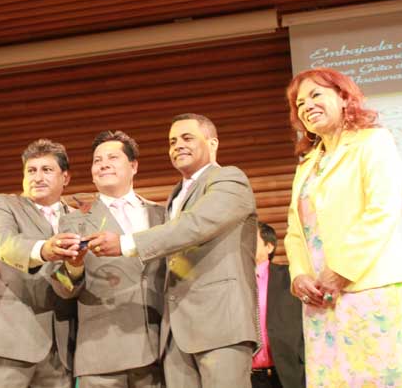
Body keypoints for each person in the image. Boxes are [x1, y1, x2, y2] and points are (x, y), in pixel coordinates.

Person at [88, 113, 259, 388]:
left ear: (213, 143)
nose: (178, 145)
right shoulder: (175, 196)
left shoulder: (229, 179)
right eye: (172, 141)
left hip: (219, 323)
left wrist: (125, 243)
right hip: (175, 334)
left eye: (187, 138)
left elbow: (195, 225)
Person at [284, 67, 402, 387]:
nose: (306, 106)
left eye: (315, 95)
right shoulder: (307, 163)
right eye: (299, 103)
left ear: (344, 98)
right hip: (321, 299)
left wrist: (341, 270)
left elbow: (381, 210)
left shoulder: (373, 141)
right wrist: (299, 275)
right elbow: (295, 230)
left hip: (370, 289)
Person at [52, 130, 165, 388]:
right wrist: (73, 267)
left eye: (113, 158)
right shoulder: (73, 221)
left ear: (134, 166)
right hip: (102, 354)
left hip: (160, 353)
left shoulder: (162, 215)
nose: (103, 164)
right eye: (97, 160)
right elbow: (60, 285)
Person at [0, 139, 80, 388]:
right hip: (7, 342)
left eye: (46, 170)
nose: (37, 177)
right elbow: (2, 242)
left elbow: (72, 278)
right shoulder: (2, 205)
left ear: (65, 177)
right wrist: (44, 250)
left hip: (60, 351)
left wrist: (75, 270)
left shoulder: (79, 219)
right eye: (31, 170)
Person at [252, 222, 304, 388]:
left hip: (287, 373)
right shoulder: (233, 283)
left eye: (251, 238)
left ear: (269, 246)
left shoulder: (290, 278)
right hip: (245, 376)